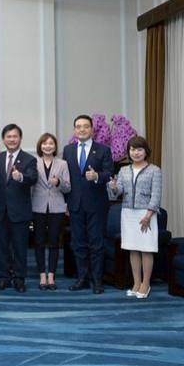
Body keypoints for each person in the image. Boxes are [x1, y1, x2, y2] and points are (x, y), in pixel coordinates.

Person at [62, 115, 113, 294]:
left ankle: (97, 280)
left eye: (85, 126)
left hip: (97, 205)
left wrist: (97, 176)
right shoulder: (67, 150)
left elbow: (109, 173)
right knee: (78, 243)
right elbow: (66, 179)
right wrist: (65, 203)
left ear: (92, 129)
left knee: (96, 244)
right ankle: (82, 278)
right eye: (78, 127)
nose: (82, 130)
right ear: (74, 130)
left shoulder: (103, 150)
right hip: (75, 204)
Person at [107, 136, 162, 299]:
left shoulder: (154, 170)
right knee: (133, 248)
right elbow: (117, 193)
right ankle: (136, 283)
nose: (136, 153)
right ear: (128, 152)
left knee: (146, 249)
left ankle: (146, 284)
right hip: (128, 213)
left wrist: (149, 215)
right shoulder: (124, 170)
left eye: (139, 149)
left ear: (146, 151)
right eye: (132, 150)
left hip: (146, 213)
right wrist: (114, 187)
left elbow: (156, 195)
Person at [0, 124, 38, 293]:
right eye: (8, 137)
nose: (12, 139)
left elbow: (33, 178)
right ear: (3, 139)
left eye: (15, 136)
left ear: (20, 138)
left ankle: (19, 279)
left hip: (20, 212)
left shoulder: (29, 159)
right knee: (1, 247)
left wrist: (21, 176)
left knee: (19, 247)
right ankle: (3, 278)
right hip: (0, 211)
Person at [30, 133, 71, 290]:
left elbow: (68, 187)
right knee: (39, 242)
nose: (47, 146)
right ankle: (42, 275)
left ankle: (51, 276)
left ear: (55, 146)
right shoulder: (33, 163)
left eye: (51, 144)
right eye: (44, 143)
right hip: (37, 206)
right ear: (40, 146)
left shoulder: (63, 164)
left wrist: (59, 182)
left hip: (57, 207)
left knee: (54, 242)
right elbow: (30, 186)